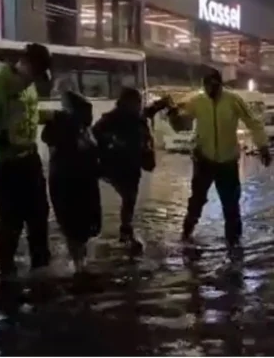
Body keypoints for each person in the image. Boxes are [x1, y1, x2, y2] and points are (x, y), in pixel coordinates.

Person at [0, 43, 55, 280]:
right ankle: (6, 271)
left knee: (39, 215)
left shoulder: (28, 87)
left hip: (29, 159)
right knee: (11, 218)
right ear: (26, 65)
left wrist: (53, 117)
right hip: (5, 164)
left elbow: (29, 115)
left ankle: (41, 268)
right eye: (35, 75)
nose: (34, 82)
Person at [167, 69, 271, 248]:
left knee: (231, 205)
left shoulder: (233, 100)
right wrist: (173, 116)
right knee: (197, 201)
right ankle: (186, 234)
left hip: (228, 161)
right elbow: (182, 125)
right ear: (204, 86)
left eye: (214, 87)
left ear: (220, 85)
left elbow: (253, 122)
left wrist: (263, 147)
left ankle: (234, 242)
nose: (211, 91)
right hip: (203, 160)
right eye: (207, 87)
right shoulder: (197, 101)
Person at [93, 87, 171, 252]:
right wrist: (114, 143)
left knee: (130, 198)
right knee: (129, 196)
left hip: (133, 163)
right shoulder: (113, 117)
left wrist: (161, 104)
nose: (138, 106)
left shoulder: (137, 116)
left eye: (139, 102)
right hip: (117, 164)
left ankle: (125, 231)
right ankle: (122, 231)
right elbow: (96, 132)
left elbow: (147, 112)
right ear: (126, 103)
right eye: (136, 103)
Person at [42, 90, 101, 272]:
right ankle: (78, 265)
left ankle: (79, 262)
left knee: (82, 228)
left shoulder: (83, 129)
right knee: (73, 226)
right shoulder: (65, 126)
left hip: (84, 183)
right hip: (68, 184)